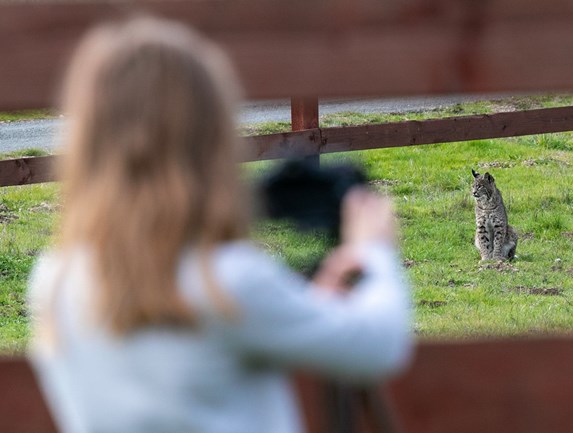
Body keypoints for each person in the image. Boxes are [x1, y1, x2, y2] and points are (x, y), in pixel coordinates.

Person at [28, 16, 412, 433]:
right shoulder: (226, 282)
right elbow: (380, 345)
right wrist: (373, 250)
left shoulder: (55, 280)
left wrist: (307, 306)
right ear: (210, 139)